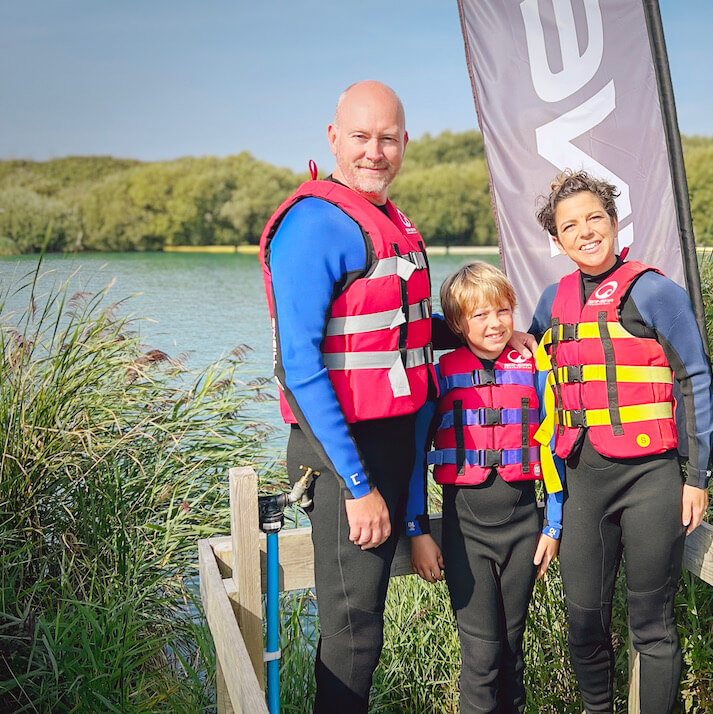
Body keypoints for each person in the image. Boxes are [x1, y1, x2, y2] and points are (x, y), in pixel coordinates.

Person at [258, 81, 533, 713]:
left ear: (404, 142)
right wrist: (357, 486)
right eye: (361, 137)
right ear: (333, 139)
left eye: (388, 138)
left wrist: (488, 330)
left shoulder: (386, 218)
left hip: (390, 444)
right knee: (354, 635)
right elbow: (297, 368)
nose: (375, 152)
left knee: (367, 632)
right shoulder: (313, 224)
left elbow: (394, 334)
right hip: (342, 453)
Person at [529, 170, 713, 713]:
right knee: (584, 618)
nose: (585, 232)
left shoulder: (655, 291)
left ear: (614, 222)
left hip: (651, 480)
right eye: (571, 226)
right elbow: (518, 358)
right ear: (558, 240)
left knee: (651, 623)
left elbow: (695, 380)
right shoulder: (551, 302)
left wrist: (697, 476)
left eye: (595, 217)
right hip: (584, 482)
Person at [406, 261, 563, 714]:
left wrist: (552, 527)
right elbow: (415, 459)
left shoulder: (535, 368)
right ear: (457, 325)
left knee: (512, 654)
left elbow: (552, 448)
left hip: (523, 528)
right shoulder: (440, 374)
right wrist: (417, 532)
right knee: (481, 659)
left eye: (502, 311)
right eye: (479, 315)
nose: (494, 323)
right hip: (466, 533)